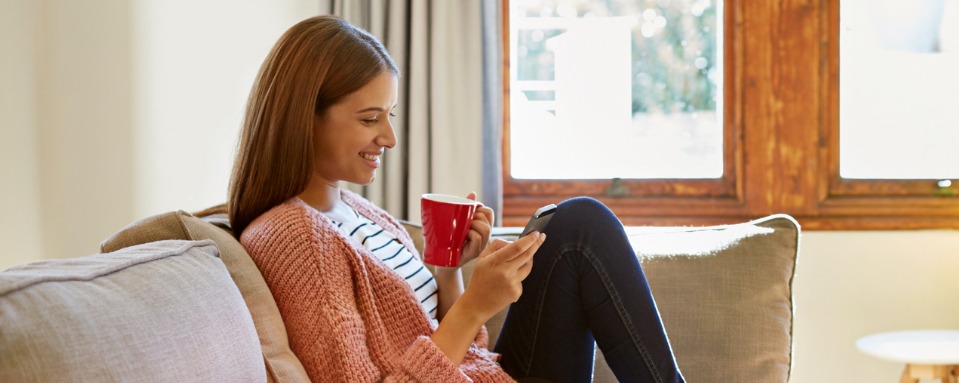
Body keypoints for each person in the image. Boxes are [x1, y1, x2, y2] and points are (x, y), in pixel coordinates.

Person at [228, 16, 684, 383]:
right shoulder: (293, 238)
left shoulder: (360, 212)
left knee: (576, 227)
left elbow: (460, 350)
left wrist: (448, 272)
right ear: (304, 118)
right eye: (369, 119)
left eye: (389, 116)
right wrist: (473, 308)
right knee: (579, 231)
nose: (388, 138)